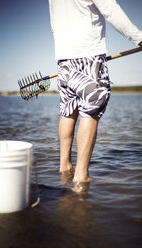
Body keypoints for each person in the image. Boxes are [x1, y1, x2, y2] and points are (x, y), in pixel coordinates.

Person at [48, 0, 142, 185]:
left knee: (68, 110)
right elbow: (111, 10)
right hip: (89, 56)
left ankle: (64, 167)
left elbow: (54, 25)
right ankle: (81, 177)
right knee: (91, 110)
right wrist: (138, 38)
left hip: (63, 59)